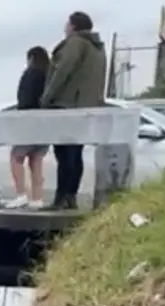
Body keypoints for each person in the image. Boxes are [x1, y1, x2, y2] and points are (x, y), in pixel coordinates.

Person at [41, 11, 107, 210]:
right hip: (86, 105)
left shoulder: (76, 43)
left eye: (67, 24)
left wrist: (47, 96)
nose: (65, 27)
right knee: (75, 153)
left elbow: (63, 70)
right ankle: (70, 197)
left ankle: (60, 199)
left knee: (64, 154)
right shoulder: (98, 48)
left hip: (67, 104)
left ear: (74, 26)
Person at [4, 46, 51, 209]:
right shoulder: (50, 75)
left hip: (29, 121)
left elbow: (25, 99)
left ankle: (21, 195)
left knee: (16, 157)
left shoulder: (30, 74)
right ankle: (37, 198)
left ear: (31, 58)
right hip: (46, 124)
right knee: (36, 160)